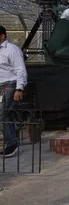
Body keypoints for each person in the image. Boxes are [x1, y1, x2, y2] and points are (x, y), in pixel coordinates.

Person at [0, 25, 28, 158]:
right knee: (5, 114)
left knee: (3, 112)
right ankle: (9, 140)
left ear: (2, 36)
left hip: (10, 84)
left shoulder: (12, 50)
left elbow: (20, 70)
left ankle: (12, 143)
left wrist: (19, 88)